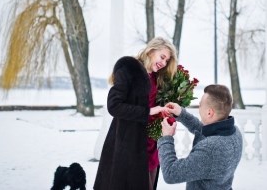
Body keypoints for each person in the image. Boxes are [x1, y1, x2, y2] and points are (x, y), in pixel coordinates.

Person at [93, 37, 178, 190]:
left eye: (167, 61)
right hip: (130, 146)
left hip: (151, 145)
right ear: (151, 51)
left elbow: (155, 104)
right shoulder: (129, 70)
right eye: (162, 57)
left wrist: (166, 112)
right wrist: (148, 112)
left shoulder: (157, 77)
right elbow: (114, 106)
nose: (164, 63)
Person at [157, 84, 243, 190]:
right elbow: (205, 131)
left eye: (200, 104)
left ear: (209, 112)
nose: (199, 106)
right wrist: (181, 114)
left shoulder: (210, 149)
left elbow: (171, 173)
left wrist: (166, 138)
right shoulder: (234, 132)